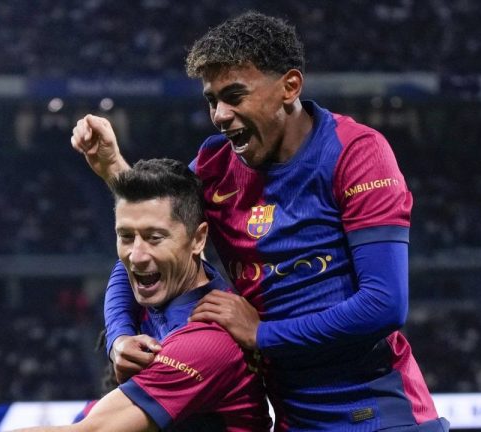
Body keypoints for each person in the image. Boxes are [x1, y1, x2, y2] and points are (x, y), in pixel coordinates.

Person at [70, 11, 449, 432]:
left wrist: (264, 334)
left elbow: (384, 304)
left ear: (290, 87)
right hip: (293, 420)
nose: (220, 115)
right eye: (212, 100)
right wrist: (120, 337)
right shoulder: (215, 164)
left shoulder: (355, 154)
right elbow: (151, 247)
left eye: (235, 95)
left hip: (379, 417)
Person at [0, 159, 271, 432]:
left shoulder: (207, 340)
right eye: (125, 236)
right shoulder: (173, 280)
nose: (136, 255)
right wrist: (119, 337)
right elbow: (125, 271)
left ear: (199, 239)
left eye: (155, 237)